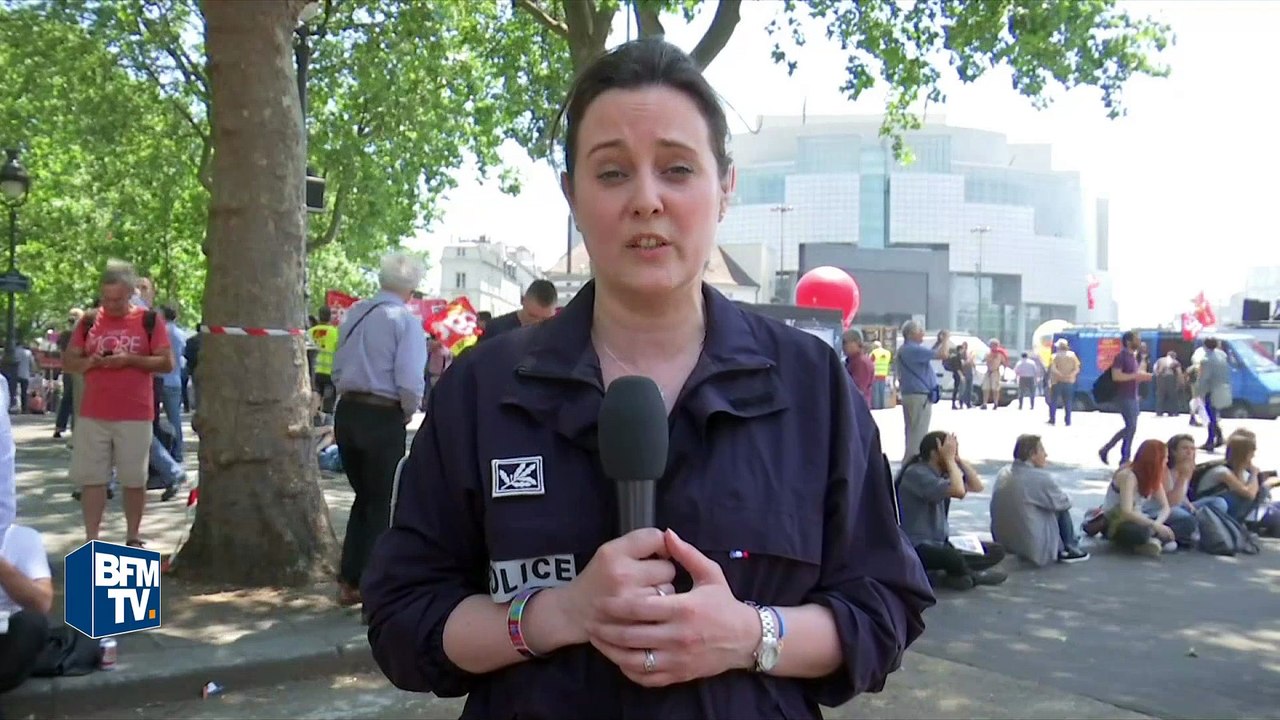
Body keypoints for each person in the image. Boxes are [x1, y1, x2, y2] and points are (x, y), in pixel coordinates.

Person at [361, 39, 933, 718]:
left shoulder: (812, 386)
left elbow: (883, 606)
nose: (646, 200)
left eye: (677, 168)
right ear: (572, 194)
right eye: (611, 173)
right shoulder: (484, 390)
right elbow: (402, 617)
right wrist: (555, 616)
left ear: (724, 187)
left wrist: (749, 635)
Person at [331, 252, 427, 608]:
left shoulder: (356, 313)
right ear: (412, 286)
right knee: (382, 502)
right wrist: (407, 411)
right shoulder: (405, 321)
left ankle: (351, 577)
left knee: (365, 498)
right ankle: (371, 585)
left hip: (348, 410)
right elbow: (409, 381)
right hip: (381, 414)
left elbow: (338, 365)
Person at [62, 260, 173, 546]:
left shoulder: (149, 321)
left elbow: (166, 362)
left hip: (135, 412)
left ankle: (133, 536)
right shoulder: (88, 321)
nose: (111, 305)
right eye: (106, 299)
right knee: (92, 479)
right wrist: (91, 362)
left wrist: (130, 360)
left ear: (130, 294)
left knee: (134, 479)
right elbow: (70, 361)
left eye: (118, 299)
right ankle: (91, 538)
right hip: (93, 412)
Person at [896, 431, 1007, 590]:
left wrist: (957, 460)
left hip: (941, 543)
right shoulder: (916, 473)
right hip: (917, 546)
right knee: (951, 557)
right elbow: (958, 491)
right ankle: (970, 576)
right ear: (935, 453)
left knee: (995, 550)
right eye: (949, 450)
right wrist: (949, 460)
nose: (952, 454)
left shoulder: (944, 473)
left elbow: (976, 486)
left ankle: (950, 575)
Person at [989, 435, 1089, 567]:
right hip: (1033, 547)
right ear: (1032, 454)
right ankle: (1070, 547)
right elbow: (1065, 502)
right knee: (1060, 508)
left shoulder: (1004, 472)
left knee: (1045, 503)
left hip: (1003, 541)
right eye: (1042, 451)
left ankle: (1069, 544)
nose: (1046, 455)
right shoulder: (1040, 478)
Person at [1100, 440, 1177, 556]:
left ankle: (1150, 542)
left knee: (1181, 522)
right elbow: (1126, 512)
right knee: (1139, 532)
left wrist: (1158, 524)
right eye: (1164, 457)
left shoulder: (1153, 476)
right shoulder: (1128, 476)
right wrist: (1154, 526)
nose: (1166, 461)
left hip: (1141, 517)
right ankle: (1148, 542)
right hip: (1118, 520)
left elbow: (1165, 507)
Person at [1158, 434, 1228, 545]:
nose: (1189, 452)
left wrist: (1188, 504)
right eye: (1185, 448)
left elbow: (1183, 495)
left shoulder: (1188, 466)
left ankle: (1202, 529)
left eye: (1192, 449)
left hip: (1181, 505)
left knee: (1219, 502)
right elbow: (1171, 503)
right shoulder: (1166, 470)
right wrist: (1183, 477)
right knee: (1185, 517)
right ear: (1173, 451)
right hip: (1166, 508)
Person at [895, 321, 949, 462]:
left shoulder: (907, 350)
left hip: (911, 395)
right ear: (912, 334)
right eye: (920, 331)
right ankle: (912, 464)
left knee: (912, 432)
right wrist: (946, 340)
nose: (923, 333)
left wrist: (938, 342)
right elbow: (942, 355)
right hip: (919, 397)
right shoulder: (912, 349)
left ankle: (908, 463)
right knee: (918, 434)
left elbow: (929, 354)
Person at [1098, 331, 1151, 466]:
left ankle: (1110, 451)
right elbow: (1117, 376)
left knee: (1130, 427)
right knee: (1131, 426)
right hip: (1124, 397)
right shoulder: (1121, 357)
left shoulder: (1132, 357)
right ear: (1128, 341)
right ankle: (1123, 456)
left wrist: (1142, 376)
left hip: (1132, 396)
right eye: (1137, 339)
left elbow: (1133, 375)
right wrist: (1135, 376)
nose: (1139, 342)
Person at [1195, 430, 1263, 523]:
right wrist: (1254, 473)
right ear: (1243, 454)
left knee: (1261, 491)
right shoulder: (1222, 472)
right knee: (1239, 499)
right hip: (1205, 507)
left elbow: (1244, 487)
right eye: (1251, 453)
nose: (1253, 456)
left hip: (1215, 507)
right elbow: (1249, 494)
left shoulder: (1236, 469)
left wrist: (1241, 469)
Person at [476, 279, 559, 343]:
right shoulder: (495, 330)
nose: (537, 323)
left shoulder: (558, 337)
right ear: (522, 300)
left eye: (544, 320)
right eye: (532, 316)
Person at [1194, 337, 1230, 452]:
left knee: (1210, 417)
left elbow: (1203, 378)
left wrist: (1198, 392)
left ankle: (1210, 441)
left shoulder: (1206, 359)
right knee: (1214, 415)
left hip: (1211, 390)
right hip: (1222, 388)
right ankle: (1219, 437)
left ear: (1205, 346)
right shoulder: (1222, 355)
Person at [309, 306, 340, 414]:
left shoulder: (310, 332)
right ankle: (326, 423)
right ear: (330, 317)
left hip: (314, 372)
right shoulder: (335, 332)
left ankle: (314, 420)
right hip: (329, 373)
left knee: (315, 398)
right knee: (328, 403)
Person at [1047, 338, 1080, 426]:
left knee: (1053, 401)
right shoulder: (1073, 355)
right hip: (1069, 381)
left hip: (1056, 381)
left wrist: (1060, 375)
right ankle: (1068, 421)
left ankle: (1052, 419)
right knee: (1068, 402)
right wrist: (1070, 375)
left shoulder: (1054, 356)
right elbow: (1077, 368)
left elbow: (1053, 369)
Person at [841, 328, 874, 406]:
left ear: (856, 343)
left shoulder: (860, 362)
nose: (843, 347)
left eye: (845, 343)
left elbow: (858, 389)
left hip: (856, 407)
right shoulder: (853, 360)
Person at [869, 340, 891, 409]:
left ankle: (876, 406)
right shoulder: (887, 353)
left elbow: (869, 363)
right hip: (883, 374)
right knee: (882, 391)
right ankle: (882, 406)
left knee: (875, 392)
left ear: (874, 346)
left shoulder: (874, 352)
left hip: (875, 375)